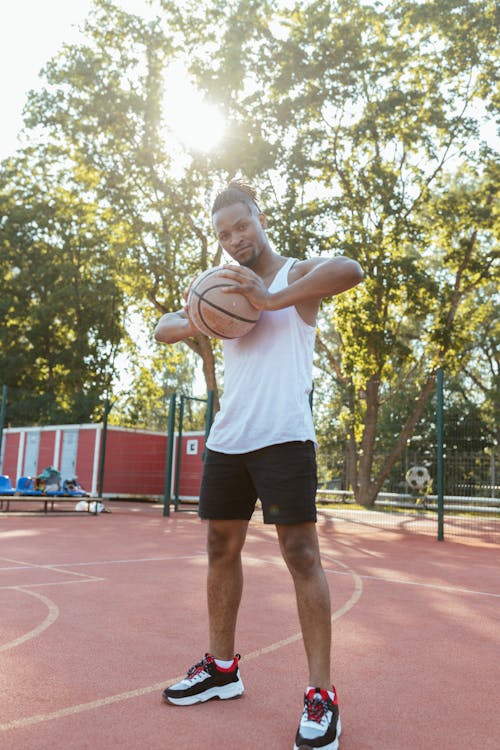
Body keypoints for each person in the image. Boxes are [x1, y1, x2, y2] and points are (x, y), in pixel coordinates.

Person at [154, 180, 363, 750]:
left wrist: (270, 299)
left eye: (241, 226)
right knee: (220, 548)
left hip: (285, 437)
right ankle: (222, 669)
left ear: (259, 217)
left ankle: (322, 695)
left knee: (301, 555)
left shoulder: (295, 276)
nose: (234, 239)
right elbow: (164, 327)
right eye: (223, 233)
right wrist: (199, 318)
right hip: (230, 439)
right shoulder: (219, 287)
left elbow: (351, 269)